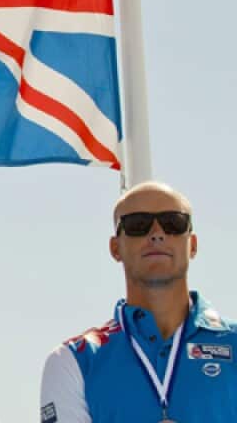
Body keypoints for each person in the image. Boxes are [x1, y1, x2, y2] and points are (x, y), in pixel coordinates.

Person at [41, 181, 237, 422]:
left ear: (192, 245)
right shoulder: (73, 361)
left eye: (173, 223)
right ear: (115, 248)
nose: (157, 234)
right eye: (138, 225)